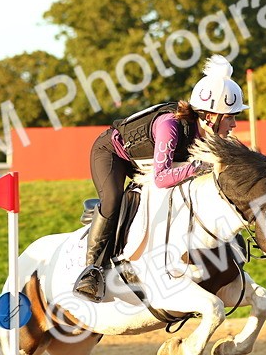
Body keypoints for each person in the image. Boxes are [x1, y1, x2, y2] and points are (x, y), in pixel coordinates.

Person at [73, 55, 248, 302]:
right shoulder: (170, 126)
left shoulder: (209, 134)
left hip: (146, 162)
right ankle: (91, 270)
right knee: (113, 199)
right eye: (230, 116)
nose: (234, 124)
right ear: (210, 116)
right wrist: (198, 167)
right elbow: (162, 177)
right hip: (112, 153)